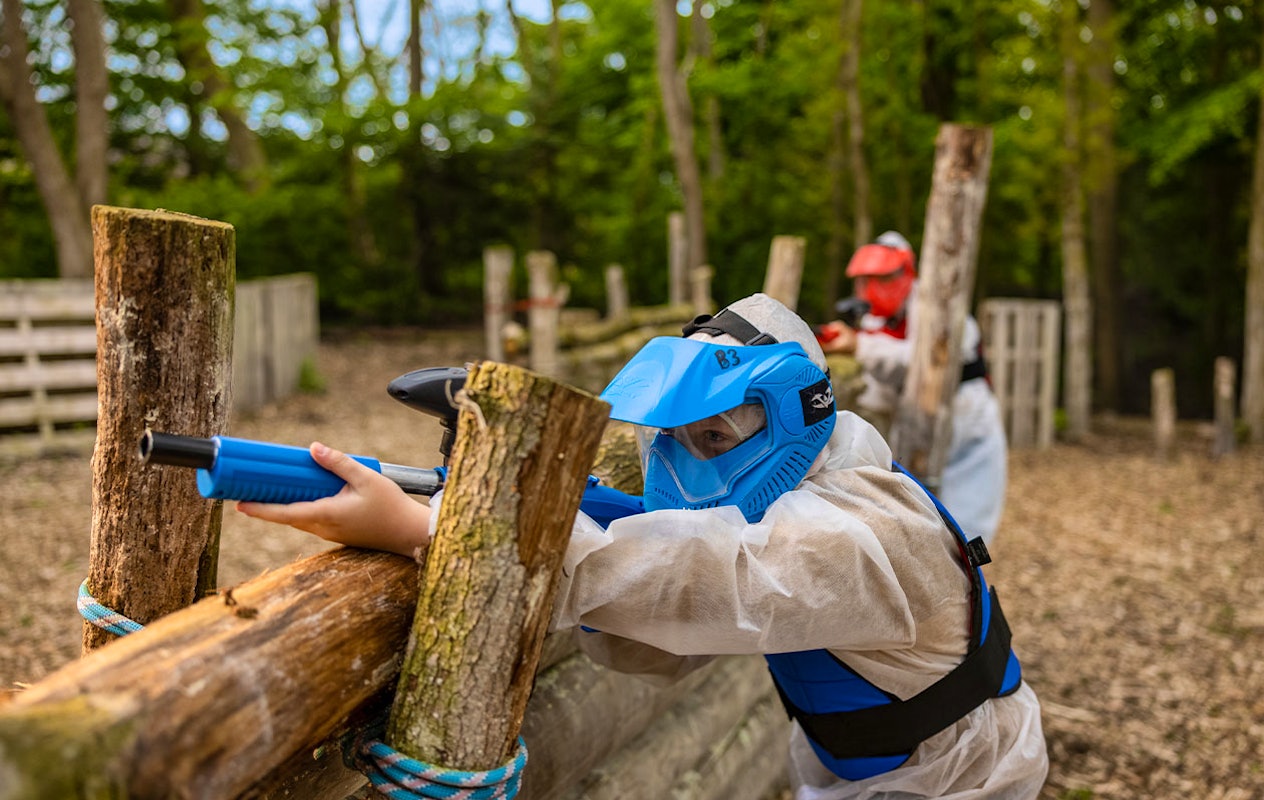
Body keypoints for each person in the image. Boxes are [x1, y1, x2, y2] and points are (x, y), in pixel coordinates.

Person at [237, 293, 1048, 799]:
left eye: (714, 436)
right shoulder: (815, 479)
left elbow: (710, 577)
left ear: (791, 416)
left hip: (965, 780)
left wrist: (428, 528)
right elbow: (660, 646)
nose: (690, 460)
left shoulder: (864, 534)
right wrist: (578, 513)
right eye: (679, 437)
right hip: (870, 768)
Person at [818, 231, 1009, 547]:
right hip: (913, 417)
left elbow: (931, 360)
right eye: (866, 280)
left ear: (906, 273)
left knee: (969, 514)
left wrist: (859, 345)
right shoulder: (876, 320)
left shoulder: (938, 304)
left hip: (963, 413)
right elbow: (882, 385)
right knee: (916, 512)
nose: (872, 288)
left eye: (883, 278)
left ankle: (970, 572)